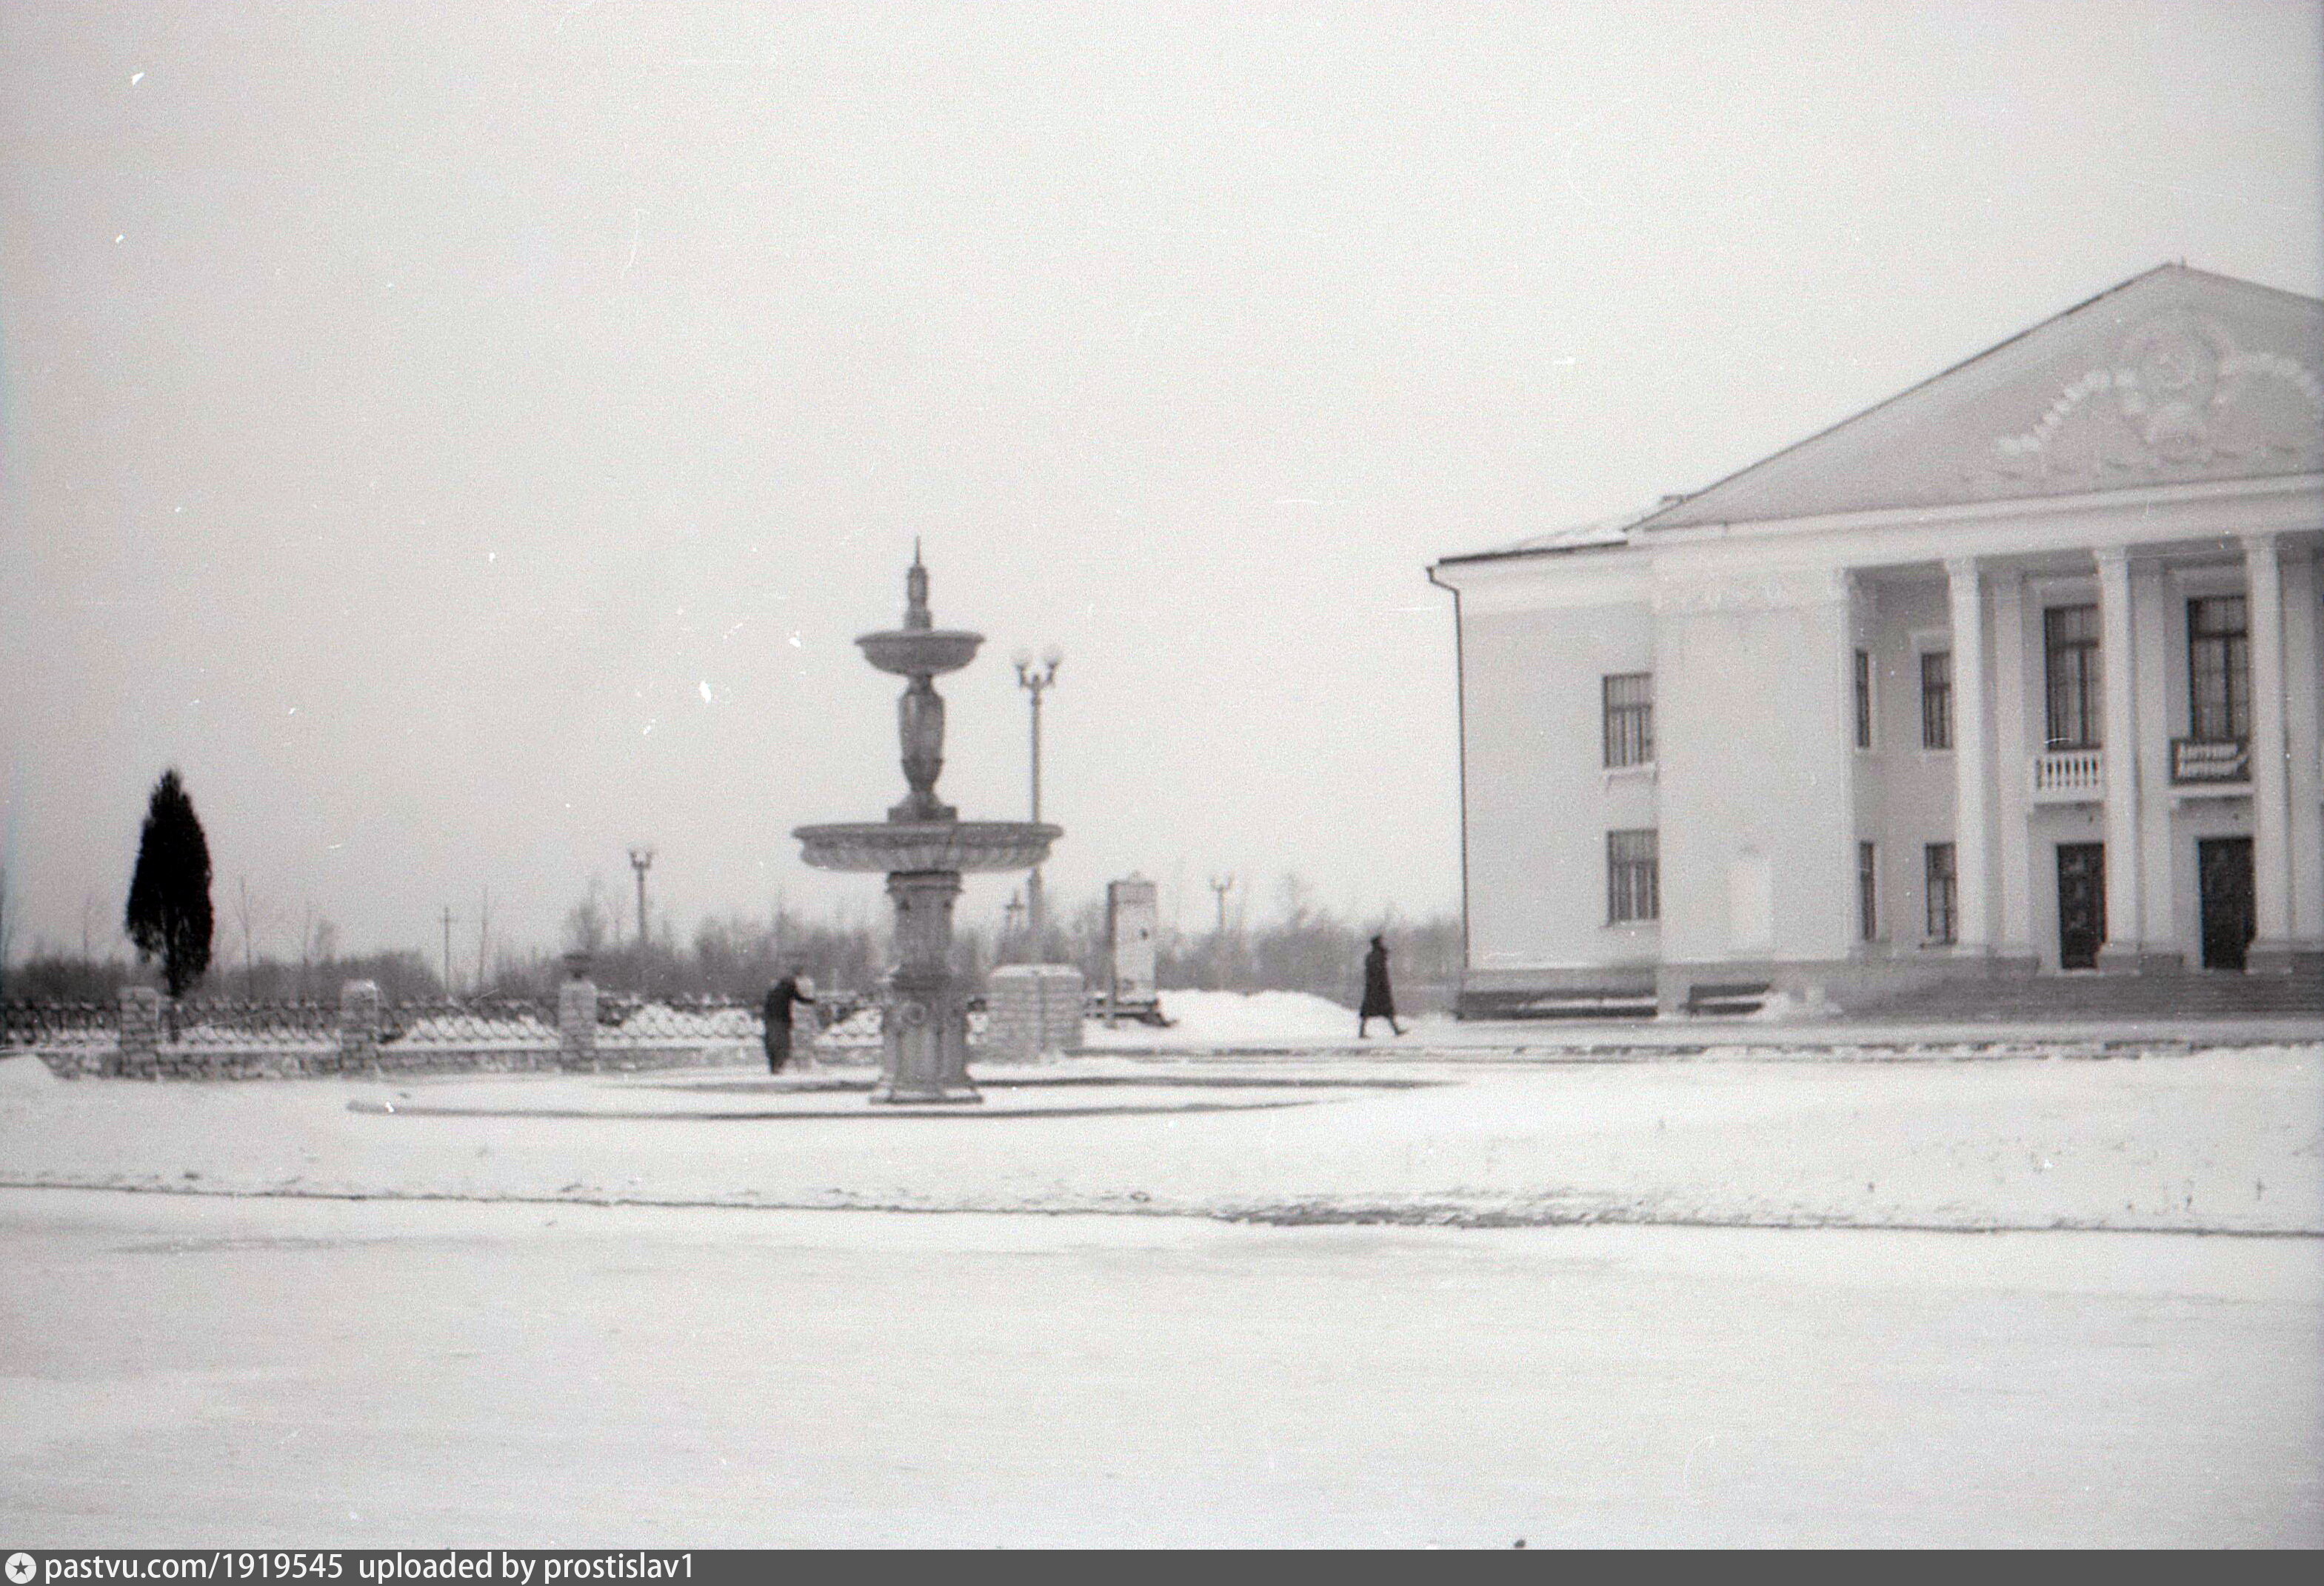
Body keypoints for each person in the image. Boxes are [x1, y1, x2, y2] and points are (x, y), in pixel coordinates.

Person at [762, 970, 817, 1073]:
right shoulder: (789, 987)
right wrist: (812, 1001)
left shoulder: (774, 989)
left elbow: (767, 1005)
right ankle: (779, 1065)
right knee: (784, 1044)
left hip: (772, 1020)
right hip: (782, 1020)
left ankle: (774, 1065)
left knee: (774, 1044)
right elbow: (799, 998)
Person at [1358, 935, 1403, 1039]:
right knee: (1386, 1010)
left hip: (1371, 988)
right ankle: (1396, 1030)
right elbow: (1380, 969)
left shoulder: (1370, 956)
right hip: (1379, 988)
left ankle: (1362, 1032)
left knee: (1368, 1012)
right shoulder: (1378, 956)